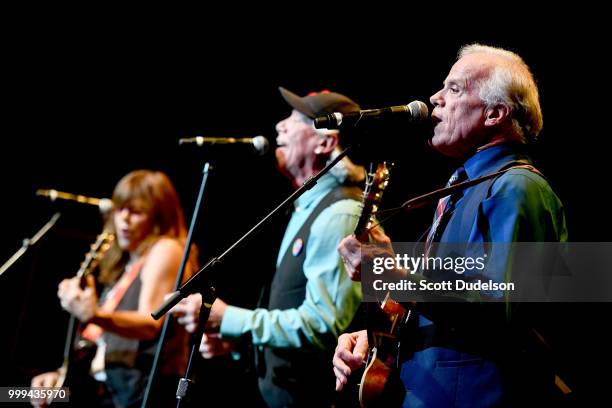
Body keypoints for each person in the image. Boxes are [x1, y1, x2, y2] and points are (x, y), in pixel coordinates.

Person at [334, 44, 568, 407]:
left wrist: (388, 275)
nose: (434, 99)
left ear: (495, 113)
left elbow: (495, 307)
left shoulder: (516, 188)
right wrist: (379, 337)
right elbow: (450, 306)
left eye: (454, 89)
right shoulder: (464, 187)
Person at [170, 87, 365, 407]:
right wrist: (239, 345)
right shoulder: (307, 206)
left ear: (326, 142)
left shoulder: (338, 214)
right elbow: (291, 312)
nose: (280, 126)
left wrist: (230, 318)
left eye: (297, 119)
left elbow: (322, 326)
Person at [30, 170, 197, 408]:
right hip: (99, 388)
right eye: (120, 209)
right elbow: (100, 342)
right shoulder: (126, 265)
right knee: (13, 394)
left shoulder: (166, 248)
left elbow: (151, 323)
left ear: (158, 217)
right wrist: (59, 377)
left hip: (135, 392)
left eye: (136, 212)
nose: (124, 220)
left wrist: (95, 315)